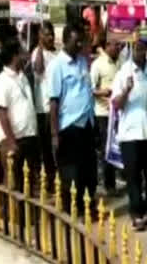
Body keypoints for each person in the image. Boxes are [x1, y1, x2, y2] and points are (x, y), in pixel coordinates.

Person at [111, 38, 147, 231]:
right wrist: (127, 90)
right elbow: (116, 104)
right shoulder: (123, 73)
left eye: (144, 48)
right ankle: (136, 213)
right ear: (132, 49)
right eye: (137, 49)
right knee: (133, 176)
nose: (141, 52)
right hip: (131, 133)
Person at [48, 24, 97, 214]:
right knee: (71, 171)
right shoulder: (57, 66)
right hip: (68, 126)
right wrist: (55, 133)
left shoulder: (82, 62)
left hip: (86, 124)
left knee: (88, 170)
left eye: (81, 41)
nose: (79, 45)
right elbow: (53, 102)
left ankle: (88, 204)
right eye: (75, 41)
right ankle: (72, 208)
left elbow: (87, 89)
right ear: (66, 40)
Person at [0, 40, 39, 191]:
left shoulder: (23, 77)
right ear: (14, 56)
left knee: (28, 185)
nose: (25, 56)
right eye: (22, 53)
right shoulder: (1, 81)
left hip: (29, 137)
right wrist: (12, 142)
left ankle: (28, 215)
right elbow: (2, 114)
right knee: (13, 185)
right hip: (12, 140)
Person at [91, 34, 121, 195]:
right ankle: (109, 184)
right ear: (108, 45)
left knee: (118, 147)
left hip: (119, 112)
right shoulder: (98, 64)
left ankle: (116, 179)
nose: (118, 48)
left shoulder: (121, 63)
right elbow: (90, 89)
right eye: (116, 45)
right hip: (103, 113)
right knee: (106, 148)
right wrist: (104, 92)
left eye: (120, 46)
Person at [31, 22, 56, 189]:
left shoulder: (56, 53)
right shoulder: (37, 53)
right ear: (40, 36)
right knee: (47, 148)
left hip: (56, 107)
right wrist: (39, 46)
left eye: (51, 34)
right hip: (43, 108)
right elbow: (38, 70)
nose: (51, 37)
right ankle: (50, 180)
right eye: (46, 34)